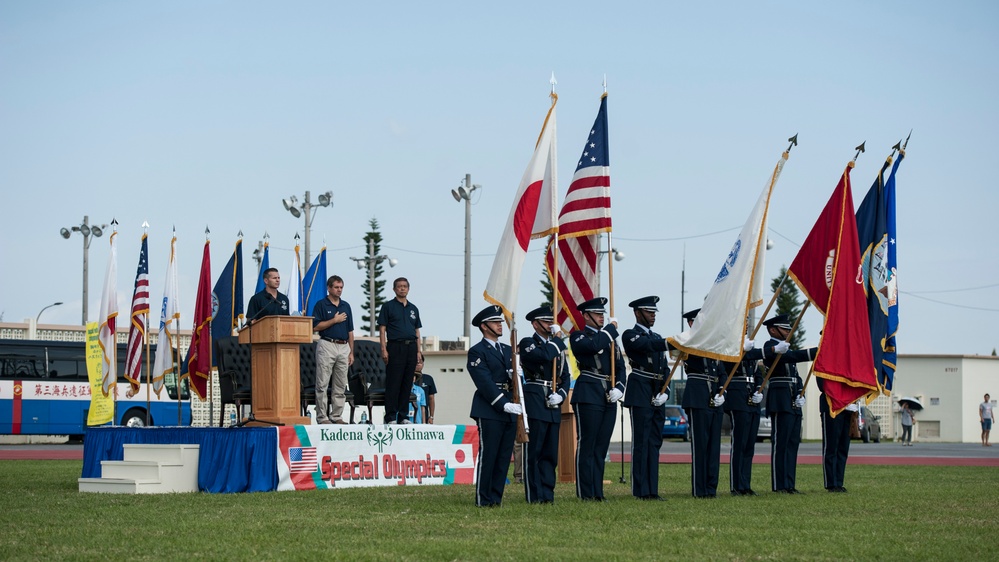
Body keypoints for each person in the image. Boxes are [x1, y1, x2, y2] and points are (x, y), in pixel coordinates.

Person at [746, 313, 817, 494]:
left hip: (792, 398)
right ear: (772, 329)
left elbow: (795, 375)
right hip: (780, 398)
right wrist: (816, 351)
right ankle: (779, 484)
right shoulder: (771, 347)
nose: (788, 331)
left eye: (788, 328)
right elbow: (789, 359)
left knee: (793, 443)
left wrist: (801, 392)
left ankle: (789, 484)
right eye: (784, 328)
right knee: (781, 443)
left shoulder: (784, 348)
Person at [569, 297, 626, 501]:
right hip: (588, 393)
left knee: (601, 447)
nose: (602, 317)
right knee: (587, 444)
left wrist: (620, 386)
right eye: (597, 314)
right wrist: (610, 330)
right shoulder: (578, 336)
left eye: (603, 314)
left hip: (608, 395)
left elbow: (620, 366)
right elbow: (593, 346)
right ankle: (585, 493)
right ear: (586, 316)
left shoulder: (609, 339)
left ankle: (597, 492)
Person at [466, 304, 520, 507]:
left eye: (500, 321)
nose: (500, 325)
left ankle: (496, 498)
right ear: (484, 326)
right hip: (490, 408)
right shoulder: (477, 351)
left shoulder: (508, 350)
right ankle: (483, 498)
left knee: (504, 456)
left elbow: (514, 379)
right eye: (495, 322)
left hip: (510, 406)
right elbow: (484, 382)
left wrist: (517, 377)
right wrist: (503, 404)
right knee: (489, 454)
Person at [518, 305, 571, 504]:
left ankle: (548, 494)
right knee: (535, 451)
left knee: (550, 453)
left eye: (551, 321)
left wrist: (562, 394)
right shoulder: (528, 343)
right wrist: (557, 339)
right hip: (536, 399)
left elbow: (565, 376)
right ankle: (534, 494)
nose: (550, 325)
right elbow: (543, 356)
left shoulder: (558, 347)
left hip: (553, 401)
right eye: (546, 321)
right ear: (535, 324)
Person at [621, 296, 669, 501]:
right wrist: (668, 342)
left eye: (654, 312)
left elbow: (665, 367)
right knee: (641, 441)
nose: (653, 315)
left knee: (654, 442)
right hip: (641, 388)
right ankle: (640, 489)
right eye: (649, 312)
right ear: (637, 313)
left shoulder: (657, 337)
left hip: (658, 389)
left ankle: (652, 489)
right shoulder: (630, 335)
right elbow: (646, 345)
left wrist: (665, 391)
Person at [678, 308, 726, 498]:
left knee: (714, 446)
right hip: (698, 396)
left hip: (715, 396)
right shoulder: (687, 341)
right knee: (700, 446)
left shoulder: (713, 344)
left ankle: (711, 487)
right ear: (691, 323)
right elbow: (681, 355)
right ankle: (699, 489)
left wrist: (723, 390)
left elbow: (722, 370)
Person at [377, 277, 422, 424]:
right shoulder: (388, 306)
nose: (402, 288)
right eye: (399, 286)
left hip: (411, 347)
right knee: (394, 382)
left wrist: (418, 351)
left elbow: (417, 331)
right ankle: (390, 416)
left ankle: (403, 416)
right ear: (394, 289)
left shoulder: (414, 308)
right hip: (395, 347)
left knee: (407, 382)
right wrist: (383, 349)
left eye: (405, 286)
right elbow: (382, 330)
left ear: (408, 289)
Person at [721, 343, 763, 496]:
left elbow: (758, 373)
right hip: (737, 396)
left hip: (752, 396)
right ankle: (736, 485)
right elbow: (726, 365)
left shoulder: (751, 348)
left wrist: (759, 389)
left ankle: (746, 484)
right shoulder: (730, 346)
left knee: (749, 445)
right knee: (740, 443)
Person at [311, 275, 354, 425]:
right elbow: (315, 327)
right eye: (336, 287)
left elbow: (350, 331)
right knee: (322, 383)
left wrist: (351, 352)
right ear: (329, 288)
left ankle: (336, 416)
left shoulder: (346, 306)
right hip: (327, 344)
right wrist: (334, 321)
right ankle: (322, 417)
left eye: (341, 287)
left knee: (341, 384)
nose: (339, 290)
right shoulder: (321, 305)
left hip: (344, 346)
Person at [818, 379, 855, 492]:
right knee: (831, 446)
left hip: (847, 405)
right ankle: (831, 483)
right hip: (831, 403)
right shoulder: (825, 361)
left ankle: (839, 482)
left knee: (843, 448)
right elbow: (822, 385)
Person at [414, 357, 437, 424]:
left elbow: (431, 399)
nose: (418, 364)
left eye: (420, 362)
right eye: (416, 362)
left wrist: (431, 416)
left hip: (424, 415)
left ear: (423, 364)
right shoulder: (406, 378)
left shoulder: (428, 378)